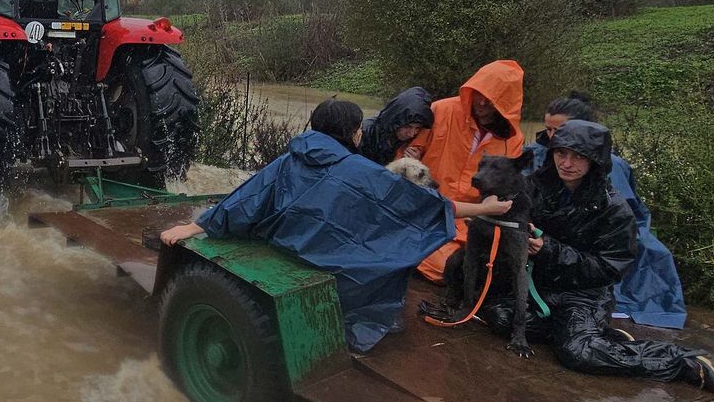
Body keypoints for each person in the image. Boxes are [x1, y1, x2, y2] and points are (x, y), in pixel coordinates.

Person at [160, 99, 513, 353]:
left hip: (285, 247)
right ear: (353, 132)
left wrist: (195, 228)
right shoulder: (363, 173)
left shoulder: (288, 159)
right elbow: (428, 206)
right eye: (360, 127)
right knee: (388, 266)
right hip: (332, 265)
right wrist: (486, 207)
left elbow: (244, 200)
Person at [478, 119, 714, 390]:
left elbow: (609, 268)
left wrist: (549, 250)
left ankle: (677, 361)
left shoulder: (614, 209)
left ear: (595, 160)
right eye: (561, 153)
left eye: (578, 156)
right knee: (499, 315)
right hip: (541, 288)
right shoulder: (532, 188)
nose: (567, 163)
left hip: (586, 294)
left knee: (577, 353)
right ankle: (592, 336)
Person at [530, 92, 687, 329]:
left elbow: (627, 215)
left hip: (594, 245)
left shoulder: (610, 181)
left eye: (559, 130)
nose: (553, 138)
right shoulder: (535, 155)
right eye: (549, 130)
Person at [412, 60, 527, 281]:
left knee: (486, 267)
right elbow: (406, 159)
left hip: (470, 224)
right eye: (477, 93)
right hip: (425, 214)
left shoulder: (513, 140)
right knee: (446, 266)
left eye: (492, 100)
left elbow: (508, 188)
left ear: (505, 104)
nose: (481, 102)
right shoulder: (441, 110)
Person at [359, 86, 433, 165]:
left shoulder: (414, 141)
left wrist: (414, 163)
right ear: (395, 122)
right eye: (407, 127)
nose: (411, 134)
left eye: (417, 128)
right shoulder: (366, 132)